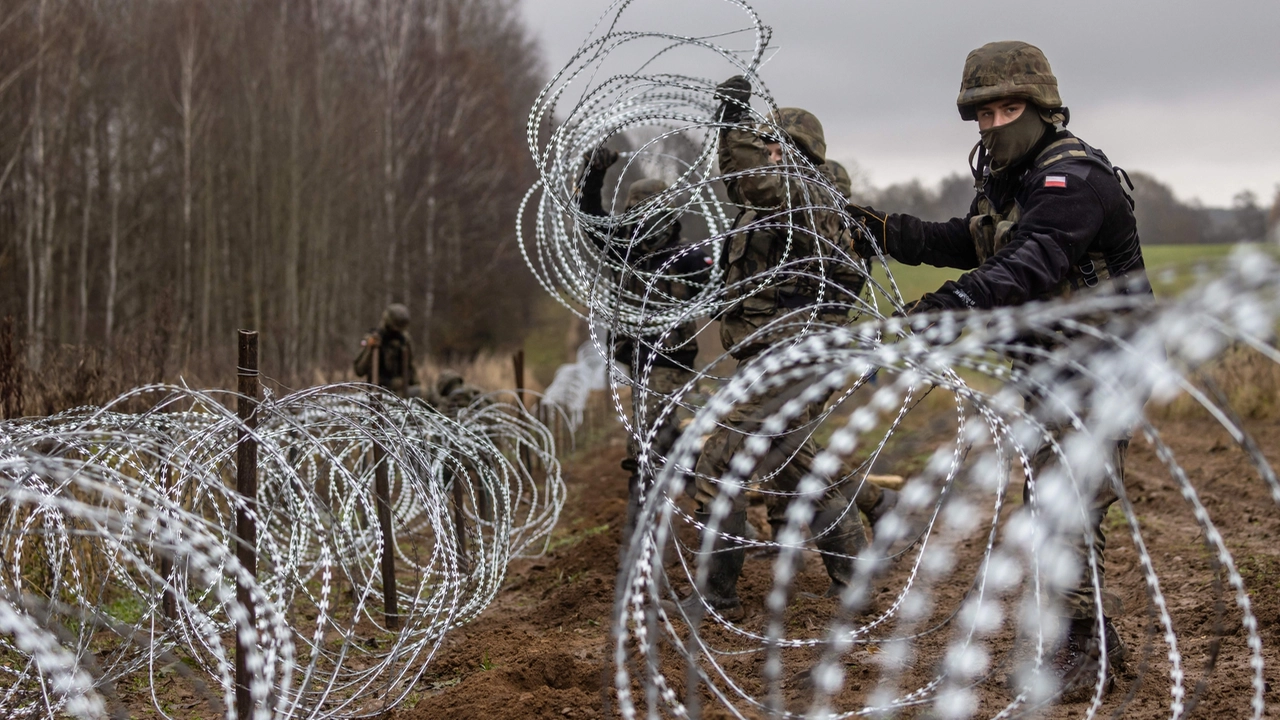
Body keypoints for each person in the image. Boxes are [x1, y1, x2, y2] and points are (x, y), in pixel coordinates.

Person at [851, 41, 1150, 699]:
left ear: (1043, 107)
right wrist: (886, 230)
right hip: (1050, 370)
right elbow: (975, 241)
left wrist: (937, 312)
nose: (994, 126)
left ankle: (1080, 651)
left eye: (1009, 108)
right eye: (982, 115)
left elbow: (1028, 265)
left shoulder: (1073, 182)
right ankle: (1094, 637)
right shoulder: (1011, 184)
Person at [666, 76, 871, 622]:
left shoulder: (809, 198)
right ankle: (855, 581)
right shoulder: (775, 209)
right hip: (775, 357)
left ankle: (716, 597)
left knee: (716, 462)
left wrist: (731, 122)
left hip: (794, 358)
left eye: (780, 148)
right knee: (795, 470)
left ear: (805, 156)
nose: (771, 156)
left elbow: (754, 182)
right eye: (767, 145)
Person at [577, 148, 714, 542]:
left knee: (648, 442)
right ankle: (711, 501)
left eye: (648, 211)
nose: (642, 220)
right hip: (640, 361)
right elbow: (590, 219)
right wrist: (594, 172)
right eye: (636, 212)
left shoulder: (686, 256)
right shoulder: (625, 249)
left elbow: (716, 289)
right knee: (661, 440)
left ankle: (642, 530)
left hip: (671, 360)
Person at [354, 303, 420, 397]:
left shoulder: (404, 341)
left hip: (401, 391)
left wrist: (414, 384)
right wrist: (370, 349)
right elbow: (359, 370)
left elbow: (411, 368)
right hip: (379, 390)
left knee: (421, 393)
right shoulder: (374, 339)